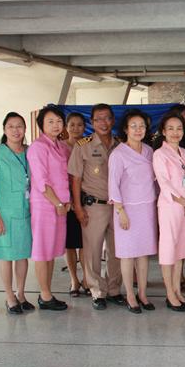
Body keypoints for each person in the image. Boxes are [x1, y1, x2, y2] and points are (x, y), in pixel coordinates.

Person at [68, 104, 125, 310]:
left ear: (113, 121)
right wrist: (78, 208)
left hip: (117, 207)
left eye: (107, 118)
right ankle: (97, 291)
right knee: (92, 250)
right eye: (98, 119)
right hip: (94, 206)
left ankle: (114, 289)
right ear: (92, 123)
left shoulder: (120, 145)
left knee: (116, 249)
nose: (103, 122)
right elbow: (75, 179)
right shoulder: (82, 146)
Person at [0, 112, 33, 314]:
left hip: (26, 212)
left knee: (22, 255)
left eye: (19, 126)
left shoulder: (29, 152)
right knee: (7, 256)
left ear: (25, 129)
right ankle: (9, 296)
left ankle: (21, 294)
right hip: (5, 213)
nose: (15, 130)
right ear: (4, 130)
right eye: (11, 126)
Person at [108, 109, 158, 314]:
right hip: (126, 210)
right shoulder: (118, 154)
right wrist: (121, 211)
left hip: (147, 209)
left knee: (144, 254)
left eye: (142, 126)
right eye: (134, 126)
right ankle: (130, 295)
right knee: (128, 254)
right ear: (126, 129)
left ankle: (143, 294)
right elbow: (113, 185)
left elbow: (155, 181)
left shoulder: (149, 151)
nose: (138, 130)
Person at [153, 111, 185, 312]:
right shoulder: (159, 154)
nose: (175, 132)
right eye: (170, 128)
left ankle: (178, 291)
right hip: (171, 207)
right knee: (169, 249)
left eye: (179, 128)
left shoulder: (184, 153)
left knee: (181, 249)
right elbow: (165, 184)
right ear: (163, 131)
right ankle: (169, 294)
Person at [27, 105, 71, 311]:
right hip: (45, 206)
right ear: (41, 125)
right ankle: (44, 295)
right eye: (50, 121)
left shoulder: (61, 146)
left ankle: (48, 293)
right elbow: (41, 181)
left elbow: (65, 176)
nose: (55, 125)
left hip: (60, 207)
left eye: (59, 121)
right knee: (42, 250)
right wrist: (58, 203)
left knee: (52, 250)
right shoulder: (38, 147)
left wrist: (66, 201)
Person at [62, 112, 88, 296]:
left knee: (85, 243)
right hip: (67, 202)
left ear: (84, 127)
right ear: (66, 127)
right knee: (70, 244)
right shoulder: (60, 147)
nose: (76, 128)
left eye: (79, 125)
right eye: (72, 124)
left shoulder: (88, 146)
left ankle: (87, 279)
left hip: (86, 199)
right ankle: (74, 280)